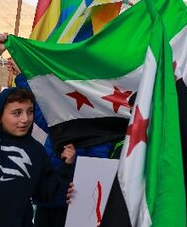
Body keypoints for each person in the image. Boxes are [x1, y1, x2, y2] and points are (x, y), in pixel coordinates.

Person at [0, 33, 76, 227]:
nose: (25, 119)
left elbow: (47, 193)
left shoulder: (37, 152)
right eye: (16, 113)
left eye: (29, 112)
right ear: (0, 117)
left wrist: (66, 167)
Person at [8, 60, 111, 227]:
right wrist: (21, 76)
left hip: (75, 203)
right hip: (47, 199)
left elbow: (97, 165)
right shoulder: (59, 123)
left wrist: (75, 162)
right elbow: (39, 107)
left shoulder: (100, 129)